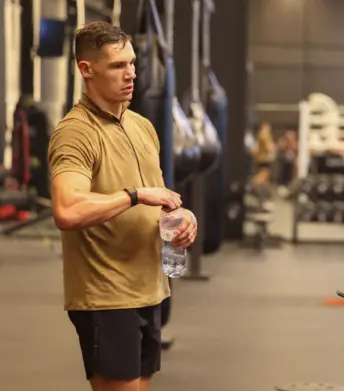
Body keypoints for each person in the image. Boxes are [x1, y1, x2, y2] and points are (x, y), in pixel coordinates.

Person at [47, 21, 198, 391]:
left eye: (132, 63)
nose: (130, 73)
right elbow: (67, 210)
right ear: (87, 69)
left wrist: (182, 216)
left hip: (150, 289)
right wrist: (134, 195)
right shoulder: (76, 133)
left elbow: (159, 197)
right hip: (107, 296)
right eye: (117, 66)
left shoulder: (142, 126)